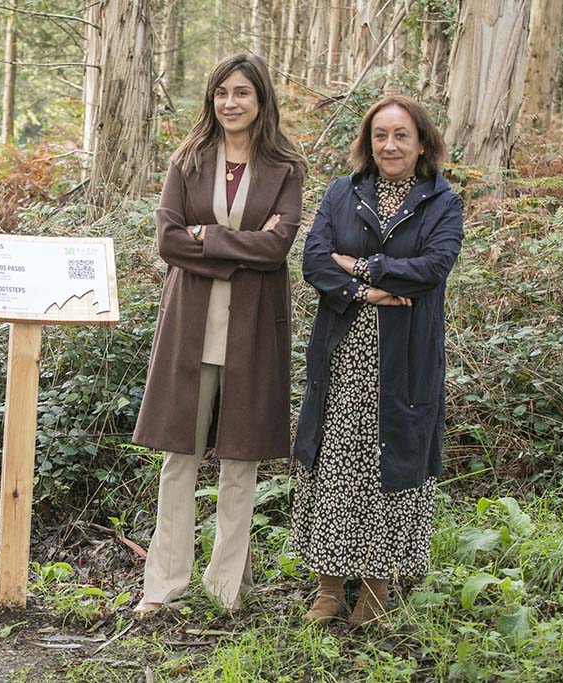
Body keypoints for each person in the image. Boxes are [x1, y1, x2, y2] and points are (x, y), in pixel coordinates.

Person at [132, 54, 306, 614]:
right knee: (178, 457)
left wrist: (207, 236)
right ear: (211, 99)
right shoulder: (188, 160)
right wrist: (241, 246)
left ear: (261, 101)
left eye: (243, 93)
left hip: (253, 329)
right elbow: (168, 240)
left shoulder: (286, 167)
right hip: (191, 326)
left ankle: (227, 586)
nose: (231, 103)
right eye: (222, 93)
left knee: (241, 460)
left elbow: (277, 248)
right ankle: (163, 586)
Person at [291, 95, 463, 626]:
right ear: (367, 141)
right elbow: (315, 260)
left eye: (401, 135)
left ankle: (377, 585)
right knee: (337, 464)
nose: (389, 145)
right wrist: (367, 292)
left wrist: (360, 265)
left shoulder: (442, 202)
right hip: (344, 352)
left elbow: (433, 267)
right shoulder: (343, 192)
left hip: (404, 357)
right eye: (380, 135)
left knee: (392, 467)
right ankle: (328, 585)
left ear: (422, 143)